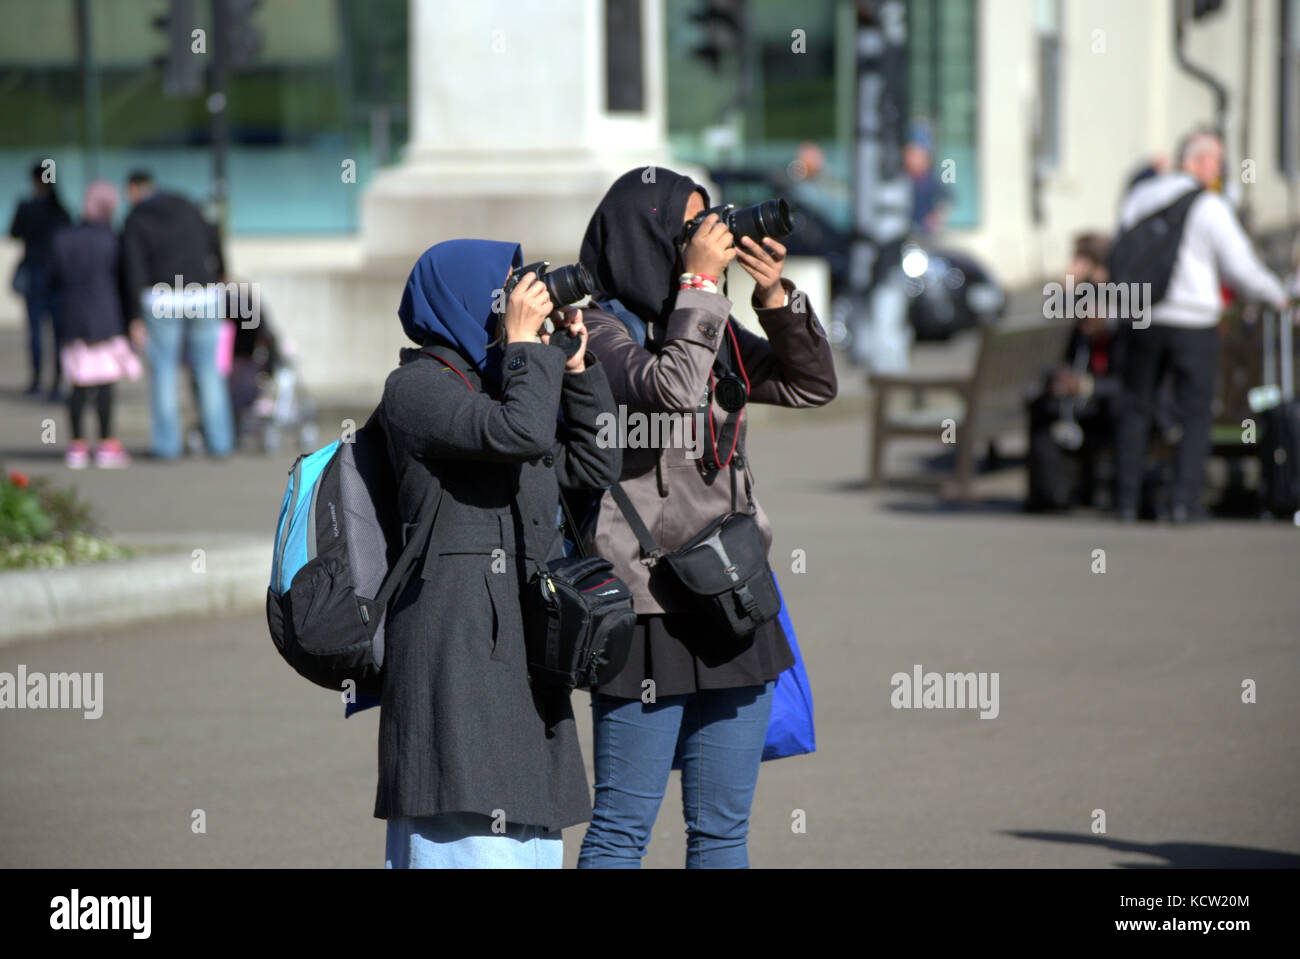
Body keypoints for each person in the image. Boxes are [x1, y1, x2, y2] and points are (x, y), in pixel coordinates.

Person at [575, 169, 838, 868]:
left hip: (729, 595)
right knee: (622, 830)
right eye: (690, 230)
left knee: (722, 832)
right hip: (645, 609)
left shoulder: (705, 323)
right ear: (646, 237)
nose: (708, 242)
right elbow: (670, 393)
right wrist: (699, 291)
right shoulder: (596, 331)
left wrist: (774, 299)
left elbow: (812, 384)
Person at [376, 239, 621, 868]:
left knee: (529, 845)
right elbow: (521, 432)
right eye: (506, 288)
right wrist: (522, 350)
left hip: (520, 656)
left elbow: (596, 462)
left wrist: (574, 369)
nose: (519, 301)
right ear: (461, 300)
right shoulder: (416, 389)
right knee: (470, 839)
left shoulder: (506, 388)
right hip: (455, 658)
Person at [1113, 130, 1291, 523]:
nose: (1221, 170)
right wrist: (1277, 294)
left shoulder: (1141, 197)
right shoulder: (1209, 205)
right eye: (1217, 162)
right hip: (1192, 320)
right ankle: (1183, 501)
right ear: (1200, 162)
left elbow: (1122, 251)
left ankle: (1126, 500)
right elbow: (1239, 266)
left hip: (1141, 315)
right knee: (1195, 411)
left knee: (1136, 407)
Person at [120, 169, 234, 460]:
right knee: (209, 370)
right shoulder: (188, 205)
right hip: (203, 292)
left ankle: (166, 446)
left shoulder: (136, 218)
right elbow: (214, 234)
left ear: (133, 190)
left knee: (164, 372)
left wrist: (133, 315)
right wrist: (220, 271)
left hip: (161, 298)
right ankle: (220, 442)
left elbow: (132, 269)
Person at [1026, 232, 1127, 511]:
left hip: (1115, 400)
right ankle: (1050, 495)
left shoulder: (1127, 303)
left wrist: (1086, 387)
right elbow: (1056, 320)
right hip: (1086, 401)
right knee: (1043, 405)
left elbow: (1132, 384)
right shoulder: (1085, 297)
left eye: (1081, 259)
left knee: (1121, 409)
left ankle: (1118, 494)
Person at [48, 181, 140, 469]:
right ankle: (106, 443)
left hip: (72, 319)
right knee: (104, 385)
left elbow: (53, 279)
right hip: (107, 319)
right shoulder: (114, 239)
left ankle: (76, 444)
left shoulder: (63, 238)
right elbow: (126, 282)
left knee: (77, 384)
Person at [9, 162, 71, 399]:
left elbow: (14, 232)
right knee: (57, 332)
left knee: (35, 331)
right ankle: (56, 381)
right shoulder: (60, 209)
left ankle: (36, 381)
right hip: (56, 277)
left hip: (36, 274)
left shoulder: (28, 207)